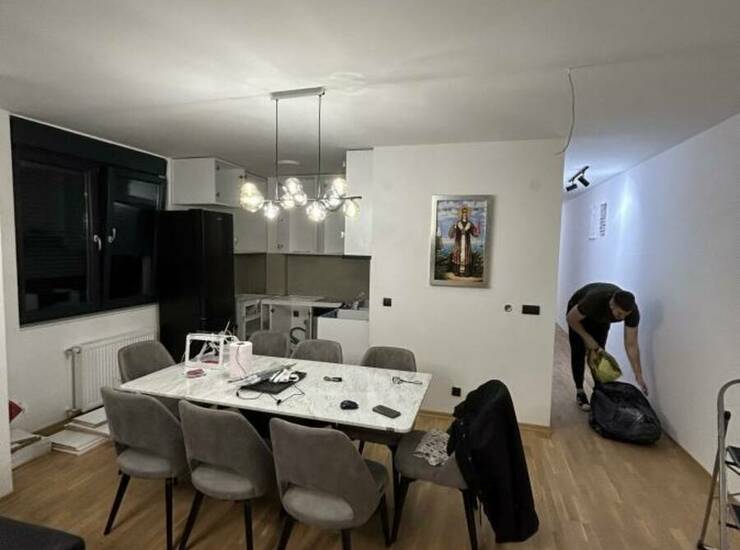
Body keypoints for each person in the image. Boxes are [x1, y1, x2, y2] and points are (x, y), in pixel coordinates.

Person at [566, 282, 646, 411]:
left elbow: (631, 345)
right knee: (578, 351)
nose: (622, 318)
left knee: (599, 353)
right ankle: (580, 391)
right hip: (577, 315)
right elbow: (571, 319)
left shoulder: (631, 312)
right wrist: (588, 339)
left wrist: (638, 374)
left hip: (601, 318)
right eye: (619, 314)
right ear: (612, 304)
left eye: (625, 315)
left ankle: (599, 390)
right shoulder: (593, 300)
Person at [448, 206, 479, 276]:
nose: (464, 214)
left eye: (466, 213)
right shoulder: (458, 223)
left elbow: (474, 233)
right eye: (463, 213)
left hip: (466, 244)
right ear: (461, 214)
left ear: (467, 214)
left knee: (466, 256)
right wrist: (453, 227)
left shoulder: (470, 224)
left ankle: (466, 272)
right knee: (458, 255)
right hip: (458, 243)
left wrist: (476, 231)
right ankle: (457, 271)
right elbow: (451, 235)